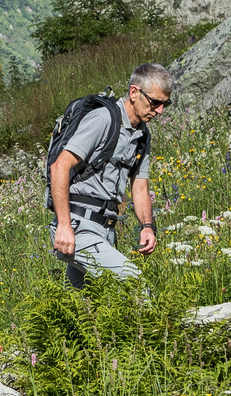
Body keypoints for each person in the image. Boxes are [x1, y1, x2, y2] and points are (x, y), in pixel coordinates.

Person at [49, 62, 172, 286]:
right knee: (134, 285)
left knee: (87, 309)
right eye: (155, 102)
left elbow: (140, 187)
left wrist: (147, 226)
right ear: (134, 93)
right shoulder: (103, 119)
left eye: (165, 104)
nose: (160, 110)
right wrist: (64, 226)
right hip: (78, 227)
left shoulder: (142, 135)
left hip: (106, 230)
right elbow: (59, 167)